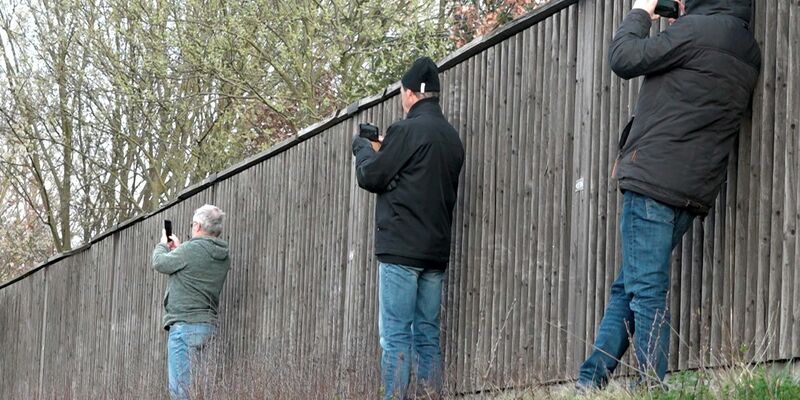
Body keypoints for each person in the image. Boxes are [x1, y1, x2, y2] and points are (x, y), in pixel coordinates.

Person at [577, 0, 761, 390]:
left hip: (652, 180)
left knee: (646, 293)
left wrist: (641, 12)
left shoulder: (694, 33)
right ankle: (589, 382)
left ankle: (650, 388)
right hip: (691, 189)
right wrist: (687, 18)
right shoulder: (746, 46)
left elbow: (624, 57)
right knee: (630, 286)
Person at [352, 56, 465, 399]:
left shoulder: (406, 131)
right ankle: (431, 395)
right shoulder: (451, 138)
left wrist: (363, 149)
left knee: (397, 335)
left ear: (412, 93)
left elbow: (371, 176)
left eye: (402, 92)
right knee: (427, 333)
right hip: (435, 253)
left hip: (401, 251)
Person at [152, 204, 231, 399]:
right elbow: (197, 265)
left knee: (180, 392)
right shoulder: (224, 255)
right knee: (202, 392)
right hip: (208, 329)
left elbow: (159, 262)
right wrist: (180, 250)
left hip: (184, 328)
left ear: (197, 226)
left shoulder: (190, 250)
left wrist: (163, 244)